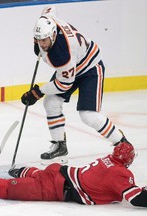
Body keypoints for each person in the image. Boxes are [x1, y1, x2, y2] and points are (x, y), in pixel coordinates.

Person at [20, 6, 129, 163]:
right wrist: (42, 25)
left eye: (44, 40)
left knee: (88, 115)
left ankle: (122, 143)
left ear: (52, 35)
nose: (41, 44)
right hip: (73, 65)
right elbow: (50, 9)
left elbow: (63, 85)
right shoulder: (49, 22)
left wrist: (37, 92)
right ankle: (60, 145)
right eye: (38, 39)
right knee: (51, 103)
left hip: (90, 68)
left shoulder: (62, 54)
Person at [0, 142, 147, 207]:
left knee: (38, 175)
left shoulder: (108, 159)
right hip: (57, 187)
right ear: (128, 159)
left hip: (58, 171)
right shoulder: (121, 174)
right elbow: (136, 198)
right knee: (4, 189)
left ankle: (21, 171)